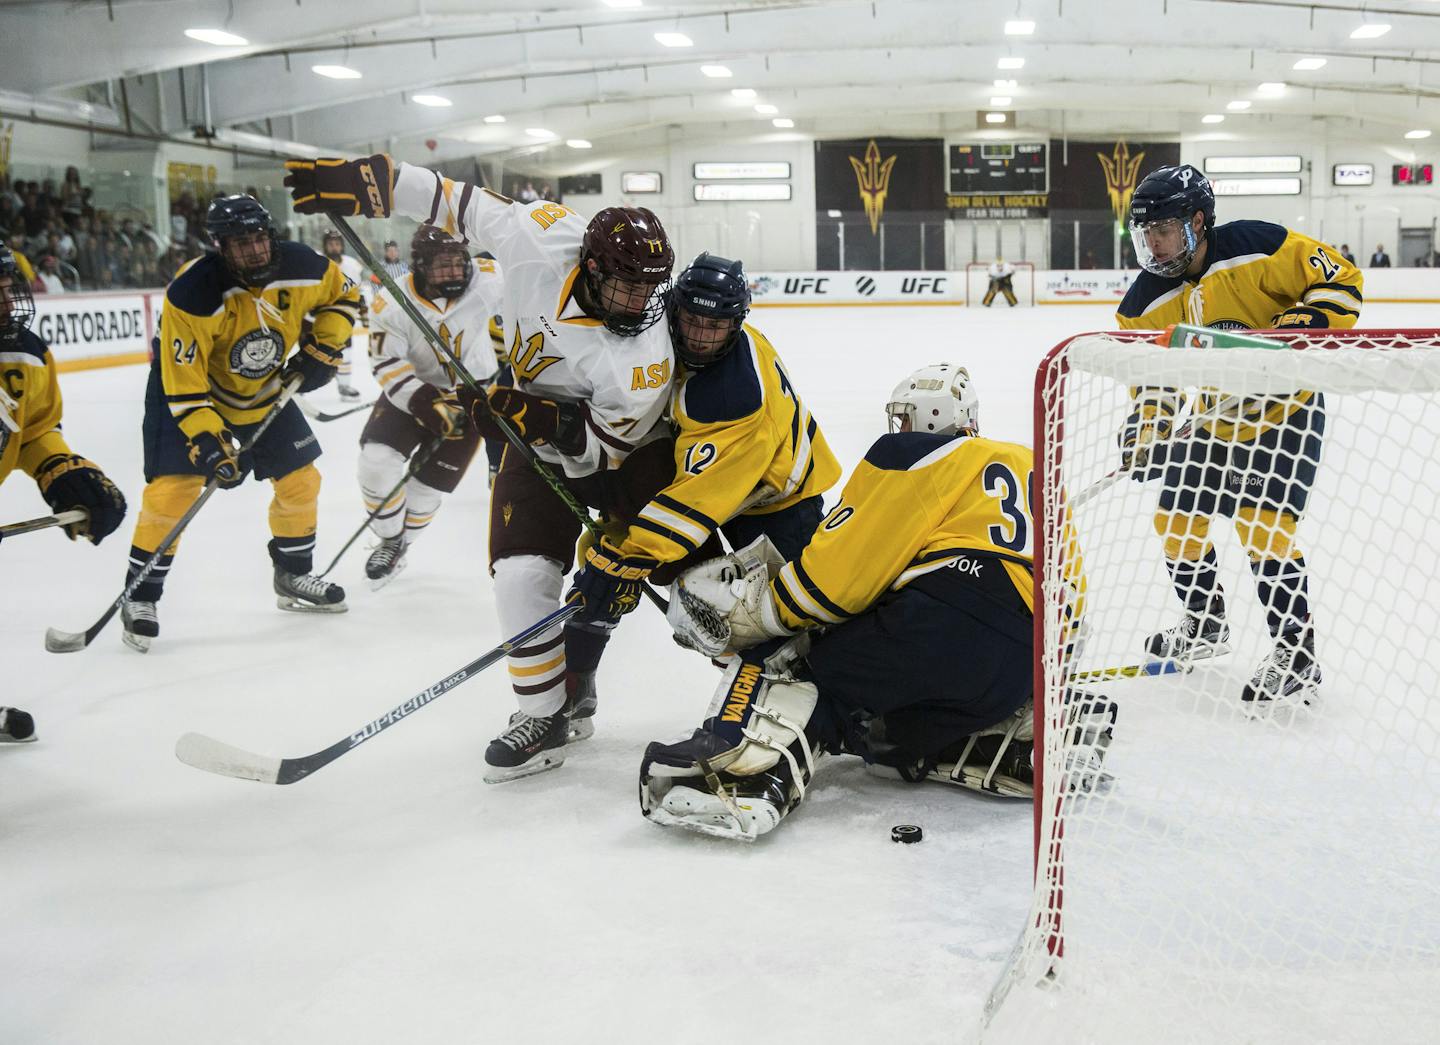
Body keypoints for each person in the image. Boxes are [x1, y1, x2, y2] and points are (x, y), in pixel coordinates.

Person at [285, 153, 678, 782]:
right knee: (519, 575)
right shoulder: (540, 234)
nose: (640, 303)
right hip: (534, 438)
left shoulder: (642, 356)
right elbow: (449, 199)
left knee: (682, 578)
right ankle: (543, 714)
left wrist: (527, 414)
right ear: (591, 266)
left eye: (650, 288)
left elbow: (605, 447)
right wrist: (372, 184)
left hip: (630, 454)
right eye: (626, 286)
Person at [641, 364, 1110, 839]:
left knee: (805, 673)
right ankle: (998, 736)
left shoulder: (919, 453)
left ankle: (741, 776)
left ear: (930, 416)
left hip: (941, 620)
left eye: (906, 417)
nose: (901, 429)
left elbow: (842, 572)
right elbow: (1073, 590)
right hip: (1025, 654)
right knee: (887, 730)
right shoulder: (1031, 465)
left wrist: (769, 613)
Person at [1117, 163, 1363, 713]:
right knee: (1175, 518)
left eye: (1163, 231)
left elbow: (1340, 277)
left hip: (1285, 414)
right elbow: (1154, 378)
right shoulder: (1142, 302)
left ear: (1197, 222)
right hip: (1211, 419)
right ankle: (1205, 623)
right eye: (1144, 234)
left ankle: (1296, 656)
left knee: (1263, 528)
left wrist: (1307, 323)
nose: (1152, 246)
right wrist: (1152, 423)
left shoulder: (1259, 245)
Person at [118, 195, 362, 652]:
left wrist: (322, 348)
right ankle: (141, 595)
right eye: (239, 243)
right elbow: (183, 381)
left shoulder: (304, 264)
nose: (253, 251)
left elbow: (346, 294)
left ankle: (293, 575)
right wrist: (209, 441)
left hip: (262, 385)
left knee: (301, 480)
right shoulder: (192, 293)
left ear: (270, 235)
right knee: (174, 489)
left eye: (258, 239)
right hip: (190, 391)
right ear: (220, 248)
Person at [567, 251, 839, 636]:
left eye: (713, 325)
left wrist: (628, 555)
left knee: (785, 621)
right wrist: (620, 519)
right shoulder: (680, 349)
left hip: (782, 509)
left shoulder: (733, 398)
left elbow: (696, 499)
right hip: (734, 491)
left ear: (735, 324)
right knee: (723, 613)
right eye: (691, 319)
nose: (698, 335)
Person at [0, 245, 127, 741]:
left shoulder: (24, 352)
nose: (8, 301)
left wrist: (60, 472)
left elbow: (32, 430)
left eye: (9, 288)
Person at [358, 226, 505, 587]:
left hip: (473, 398)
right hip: (411, 393)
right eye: (442, 266)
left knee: (427, 490)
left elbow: (531, 298)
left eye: (458, 263)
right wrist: (423, 402)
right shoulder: (390, 302)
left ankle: (400, 545)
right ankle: (390, 539)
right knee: (376, 463)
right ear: (420, 266)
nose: (454, 273)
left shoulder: (489, 279)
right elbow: (386, 363)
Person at [319, 229, 365, 399]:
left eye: (337, 244)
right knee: (313, 352)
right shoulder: (319, 263)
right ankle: (301, 386)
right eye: (331, 244)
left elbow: (357, 291)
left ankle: (344, 386)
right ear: (325, 246)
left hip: (344, 316)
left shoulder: (351, 265)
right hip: (320, 315)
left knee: (346, 352)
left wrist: (363, 309)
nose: (334, 247)